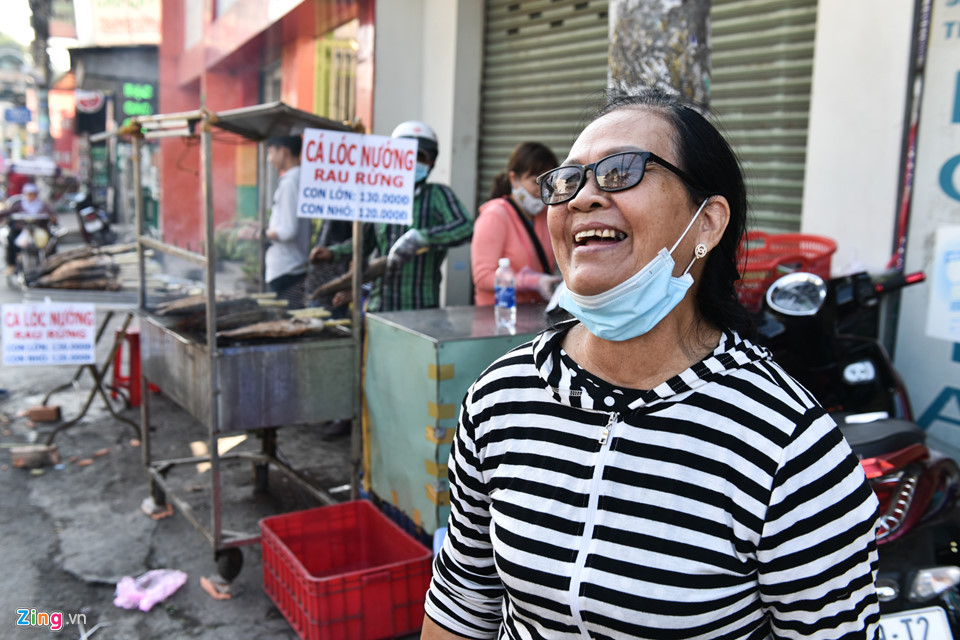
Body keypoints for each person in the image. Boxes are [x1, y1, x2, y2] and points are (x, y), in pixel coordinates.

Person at [422, 88, 880, 639]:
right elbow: (461, 602)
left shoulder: (789, 447)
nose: (581, 198)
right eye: (568, 179)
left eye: (621, 171)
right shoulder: (500, 397)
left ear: (707, 223)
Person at [310, 120, 473, 312]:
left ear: (431, 162)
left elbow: (465, 227)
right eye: (405, 154)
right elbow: (364, 242)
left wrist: (422, 238)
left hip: (421, 307)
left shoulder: (438, 195)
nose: (411, 161)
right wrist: (333, 252)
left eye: (419, 156)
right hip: (380, 305)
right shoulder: (381, 197)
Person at [472, 142, 562, 305]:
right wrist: (533, 281)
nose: (541, 189)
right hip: (500, 314)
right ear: (514, 179)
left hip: (536, 313)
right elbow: (483, 277)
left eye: (548, 182)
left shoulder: (547, 213)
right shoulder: (495, 215)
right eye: (535, 181)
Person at [241, 135, 312, 308]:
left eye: (270, 152)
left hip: (286, 270)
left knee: (287, 321)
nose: (269, 159)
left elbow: (288, 231)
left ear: (284, 152)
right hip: (293, 267)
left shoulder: (290, 183)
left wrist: (258, 234)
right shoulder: (299, 178)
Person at [1, 182, 56, 275]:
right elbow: (7, 212)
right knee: (11, 238)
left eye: (33, 194)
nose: (31, 196)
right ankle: (12, 264)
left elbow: (52, 216)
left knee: (52, 240)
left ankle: (52, 262)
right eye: (29, 194)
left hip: (39, 230)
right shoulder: (19, 205)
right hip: (22, 230)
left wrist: (52, 219)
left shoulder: (42, 205)